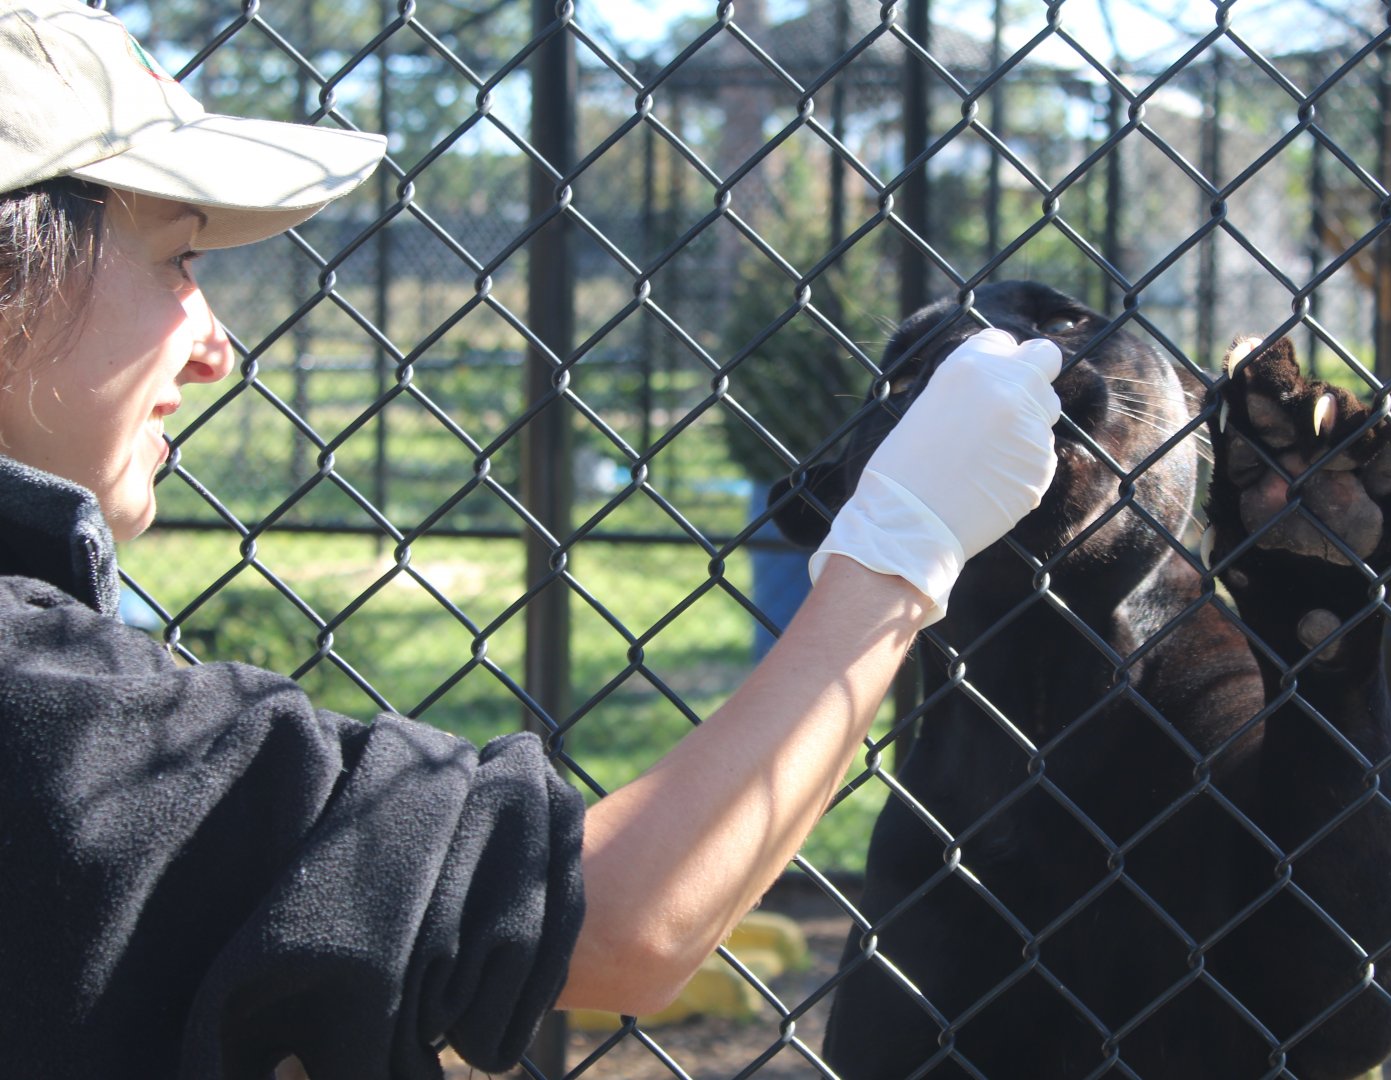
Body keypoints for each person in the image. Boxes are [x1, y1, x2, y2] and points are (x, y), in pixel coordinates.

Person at [0, 1, 1064, 1076]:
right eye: (178, 263)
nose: (216, 345)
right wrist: (902, 542)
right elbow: (614, 919)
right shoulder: (44, 708)